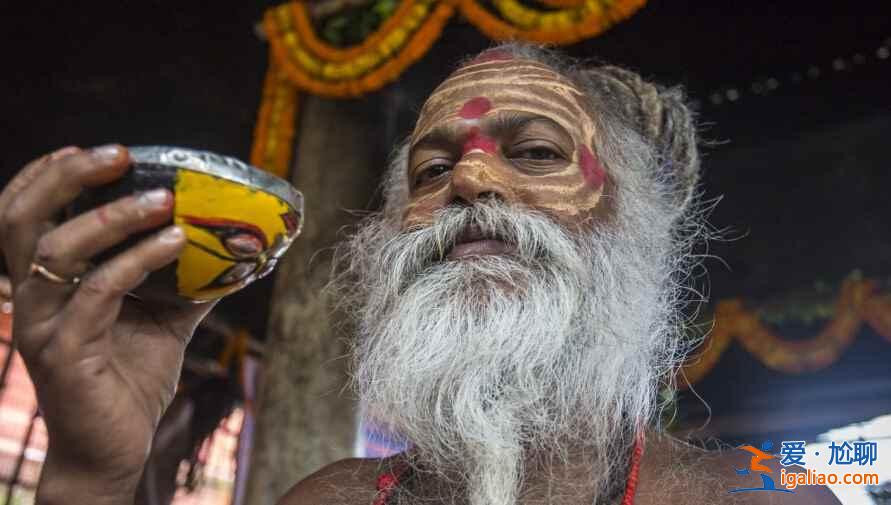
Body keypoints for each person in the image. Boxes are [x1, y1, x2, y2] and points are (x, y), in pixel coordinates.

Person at [1, 44, 838, 504]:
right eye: (429, 172)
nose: (468, 182)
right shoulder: (332, 502)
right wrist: (88, 473)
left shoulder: (767, 492)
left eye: (536, 153)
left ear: (637, 231)